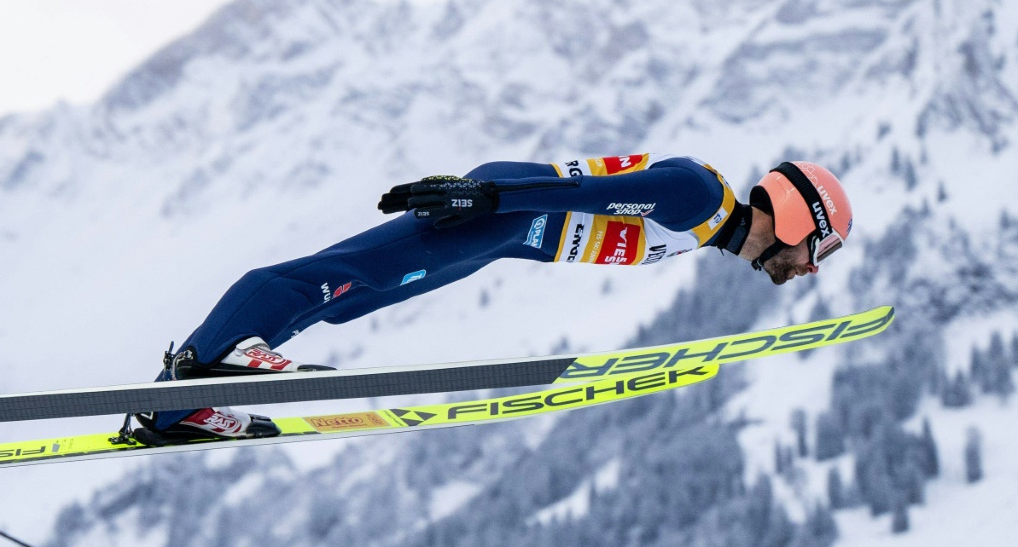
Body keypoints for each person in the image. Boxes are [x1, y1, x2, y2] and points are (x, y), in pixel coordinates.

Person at [124, 154, 853, 445]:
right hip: (503, 213)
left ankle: (182, 401)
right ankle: (203, 367)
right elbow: (583, 192)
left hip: (506, 230)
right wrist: (484, 196)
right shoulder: (700, 194)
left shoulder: (705, 225)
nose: (809, 267)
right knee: (345, 274)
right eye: (817, 248)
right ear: (796, 216)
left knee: (347, 299)